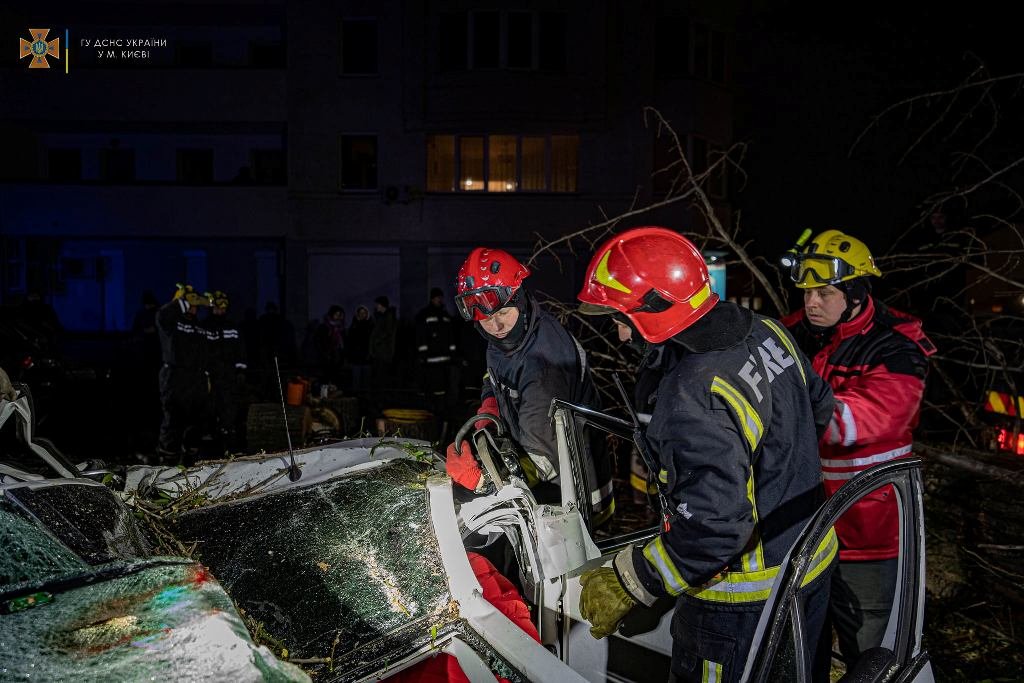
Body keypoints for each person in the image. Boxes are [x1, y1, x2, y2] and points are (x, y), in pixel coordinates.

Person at [575, 226, 836, 682]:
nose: (618, 334)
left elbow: (716, 529)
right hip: (810, 565)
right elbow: (820, 406)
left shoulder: (692, 393)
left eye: (620, 318)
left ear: (655, 309)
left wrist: (633, 579)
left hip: (739, 603)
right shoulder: (767, 330)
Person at [780, 229, 936, 664]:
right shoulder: (800, 332)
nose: (810, 302)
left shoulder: (897, 349)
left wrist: (784, 396)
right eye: (807, 292)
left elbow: (852, 424)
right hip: (804, 525)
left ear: (854, 294)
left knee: (871, 649)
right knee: (800, 637)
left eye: (824, 292)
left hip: (869, 532)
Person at [446, 247, 614, 526]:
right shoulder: (509, 338)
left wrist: (482, 481)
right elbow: (494, 374)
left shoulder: (543, 363)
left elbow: (542, 459)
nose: (497, 326)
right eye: (486, 319)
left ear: (520, 299)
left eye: (503, 313)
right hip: (543, 480)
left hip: (570, 498)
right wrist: (491, 403)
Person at [155, 284, 211, 462]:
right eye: (190, 304)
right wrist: (181, 302)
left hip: (197, 379)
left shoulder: (199, 326)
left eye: (195, 305)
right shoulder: (172, 322)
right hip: (175, 378)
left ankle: (191, 460)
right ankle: (168, 460)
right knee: (174, 419)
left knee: (196, 420)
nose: (194, 308)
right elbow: (162, 316)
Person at [201, 290, 248, 454]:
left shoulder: (232, 327)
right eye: (217, 308)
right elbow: (201, 352)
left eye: (223, 309)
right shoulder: (205, 327)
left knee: (229, 406)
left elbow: (240, 349)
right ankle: (210, 438)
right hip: (210, 376)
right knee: (209, 406)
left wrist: (241, 370)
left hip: (229, 375)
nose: (220, 312)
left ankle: (229, 439)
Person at [414, 287, 458, 419]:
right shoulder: (425, 315)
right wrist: (422, 354)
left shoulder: (445, 316)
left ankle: (441, 412)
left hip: (444, 359)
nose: (440, 300)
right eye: (437, 297)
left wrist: (453, 354)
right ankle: (429, 411)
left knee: (443, 388)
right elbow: (420, 336)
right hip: (430, 359)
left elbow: (451, 336)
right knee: (430, 386)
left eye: (441, 297)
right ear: (432, 298)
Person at [313, 304, 346, 385]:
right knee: (325, 379)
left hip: (338, 358)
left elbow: (344, 343)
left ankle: (334, 394)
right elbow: (318, 342)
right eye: (336, 314)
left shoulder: (341, 328)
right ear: (331, 315)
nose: (338, 317)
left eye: (340, 315)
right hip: (326, 358)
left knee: (335, 379)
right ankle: (324, 396)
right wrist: (324, 354)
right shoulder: (324, 327)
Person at [368, 295, 398, 383]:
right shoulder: (381, 317)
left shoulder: (388, 316)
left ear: (382, 305)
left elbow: (389, 332)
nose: (376, 306)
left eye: (377, 304)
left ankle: (382, 395)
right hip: (381, 351)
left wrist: (377, 341)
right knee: (380, 376)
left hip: (383, 352)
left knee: (381, 376)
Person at [346, 305, 374, 392]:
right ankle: (356, 398)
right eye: (360, 313)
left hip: (367, 358)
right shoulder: (353, 326)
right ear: (357, 314)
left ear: (367, 314)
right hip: (356, 358)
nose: (362, 315)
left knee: (366, 382)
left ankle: (366, 399)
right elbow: (350, 342)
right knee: (356, 381)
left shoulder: (371, 326)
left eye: (364, 313)